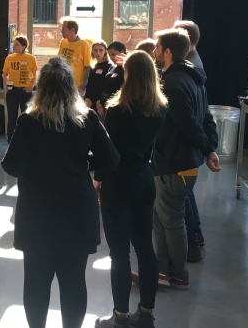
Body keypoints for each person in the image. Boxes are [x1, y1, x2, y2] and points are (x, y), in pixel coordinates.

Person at [2, 57, 119, 328]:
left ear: (41, 88)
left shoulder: (29, 121)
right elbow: (111, 160)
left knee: (35, 283)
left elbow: (11, 166)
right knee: (74, 282)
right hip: (77, 212)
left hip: (37, 213)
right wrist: (83, 161)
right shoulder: (87, 118)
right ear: (71, 88)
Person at [93, 51, 167, 328]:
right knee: (145, 249)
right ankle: (146, 314)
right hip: (144, 180)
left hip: (117, 183)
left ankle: (121, 316)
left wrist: (97, 180)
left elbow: (108, 152)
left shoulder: (115, 111)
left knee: (119, 253)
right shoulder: (160, 110)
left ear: (129, 76)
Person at [150, 28, 220, 290]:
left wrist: (207, 148)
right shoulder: (193, 78)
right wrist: (210, 148)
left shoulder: (172, 84)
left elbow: (190, 124)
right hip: (181, 161)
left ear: (168, 52)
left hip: (176, 163)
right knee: (161, 216)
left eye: (157, 48)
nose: (155, 52)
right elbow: (206, 119)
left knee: (172, 218)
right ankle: (162, 268)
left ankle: (178, 273)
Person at [173, 20, 205, 260]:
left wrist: (207, 146)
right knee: (186, 194)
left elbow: (189, 120)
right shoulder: (194, 66)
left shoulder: (184, 73)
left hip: (182, 149)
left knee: (181, 197)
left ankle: (192, 243)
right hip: (189, 147)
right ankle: (196, 236)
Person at [2, 35, 38, 141]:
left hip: (25, 91)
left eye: (17, 45)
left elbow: (35, 75)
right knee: (12, 117)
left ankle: (25, 140)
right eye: (13, 44)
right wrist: (6, 85)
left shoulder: (31, 58)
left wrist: (31, 86)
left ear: (23, 46)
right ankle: (11, 140)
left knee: (26, 117)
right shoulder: (9, 58)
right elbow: (4, 74)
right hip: (12, 91)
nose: (14, 46)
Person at [57, 17, 91, 94]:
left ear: (72, 30)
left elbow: (87, 67)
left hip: (76, 86)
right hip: (62, 84)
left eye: (63, 29)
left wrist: (83, 86)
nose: (61, 31)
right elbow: (58, 61)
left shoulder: (83, 44)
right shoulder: (63, 42)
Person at [98, 41, 127, 117]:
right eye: (109, 55)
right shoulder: (112, 67)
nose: (111, 58)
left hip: (116, 105)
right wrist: (100, 102)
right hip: (104, 103)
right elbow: (105, 84)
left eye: (113, 54)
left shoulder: (126, 69)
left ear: (122, 52)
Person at [83, 40, 113, 111]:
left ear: (105, 51)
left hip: (100, 103)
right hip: (89, 102)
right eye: (95, 50)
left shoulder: (109, 66)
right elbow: (89, 84)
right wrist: (86, 97)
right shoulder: (93, 67)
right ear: (92, 51)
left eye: (101, 50)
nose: (98, 53)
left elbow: (106, 86)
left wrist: (100, 102)